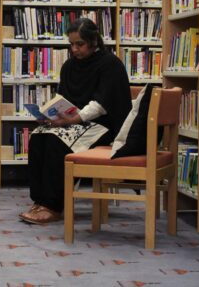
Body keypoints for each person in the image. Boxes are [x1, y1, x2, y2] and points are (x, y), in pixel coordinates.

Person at [20, 17, 132, 224]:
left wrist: (74, 119)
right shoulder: (69, 66)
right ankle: (40, 200)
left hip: (104, 125)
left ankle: (53, 205)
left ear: (93, 42)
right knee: (39, 137)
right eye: (71, 44)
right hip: (75, 122)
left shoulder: (111, 64)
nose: (74, 49)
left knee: (56, 142)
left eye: (79, 44)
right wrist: (51, 116)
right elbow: (63, 98)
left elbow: (102, 104)